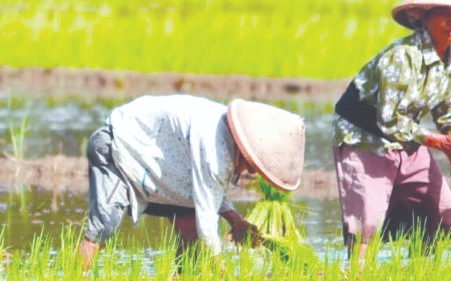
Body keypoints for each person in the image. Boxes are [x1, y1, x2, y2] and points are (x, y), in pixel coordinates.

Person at [332, 0, 451, 268]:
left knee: (442, 212)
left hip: (408, 138)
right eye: (444, 14)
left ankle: (417, 276)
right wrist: (438, 142)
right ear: (423, 17)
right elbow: (389, 120)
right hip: (364, 137)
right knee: (367, 224)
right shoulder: (402, 56)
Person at [78, 95, 306, 269]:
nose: (251, 173)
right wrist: (221, 271)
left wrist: (235, 221)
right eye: (253, 166)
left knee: (190, 227)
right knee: (103, 226)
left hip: (161, 165)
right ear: (247, 151)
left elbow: (208, 190)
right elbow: (207, 221)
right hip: (121, 145)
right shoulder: (215, 148)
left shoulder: (225, 139)